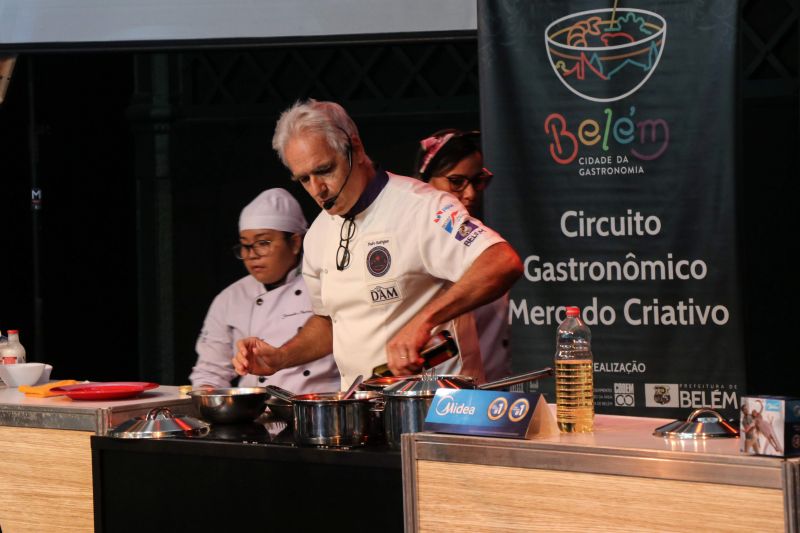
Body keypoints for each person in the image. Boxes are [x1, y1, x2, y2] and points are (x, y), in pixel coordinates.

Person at [233, 99, 523, 387]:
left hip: (440, 404)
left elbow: (501, 262)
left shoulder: (420, 207)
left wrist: (423, 322)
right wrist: (281, 357)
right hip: (363, 405)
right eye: (304, 179)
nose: (317, 189)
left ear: (356, 149)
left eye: (324, 170)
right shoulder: (319, 233)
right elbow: (330, 323)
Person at [190, 188, 340, 392]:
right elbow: (210, 371)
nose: (252, 254)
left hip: (320, 405)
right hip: (258, 407)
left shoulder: (326, 284)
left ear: (295, 243)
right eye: (245, 245)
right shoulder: (231, 298)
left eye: (263, 243)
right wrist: (209, 397)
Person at [414, 129, 512, 381]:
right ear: (424, 182)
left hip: (489, 388)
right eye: (456, 182)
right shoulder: (413, 243)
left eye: (478, 180)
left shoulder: (482, 240)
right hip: (438, 391)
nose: (470, 194)